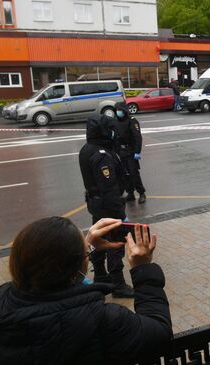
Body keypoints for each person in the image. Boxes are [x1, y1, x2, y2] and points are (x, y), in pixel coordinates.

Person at [0, 217, 172, 364]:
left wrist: (87, 245)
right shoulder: (102, 320)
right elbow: (159, 333)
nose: (88, 257)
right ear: (73, 272)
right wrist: (143, 268)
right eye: (85, 253)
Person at [79, 114, 134, 298]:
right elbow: (109, 189)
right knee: (115, 244)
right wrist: (120, 216)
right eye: (110, 129)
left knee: (98, 237)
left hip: (96, 205)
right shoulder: (101, 155)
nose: (113, 132)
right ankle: (117, 283)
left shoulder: (87, 149)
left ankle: (101, 276)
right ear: (103, 131)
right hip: (108, 206)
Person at [114, 101, 146, 205]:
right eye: (116, 110)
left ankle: (141, 193)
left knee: (133, 173)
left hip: (131, 151)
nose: (118, 112)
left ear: (124, 110)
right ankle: (130, 193)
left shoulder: (132, 121)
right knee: (125, 174)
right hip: (121, 151)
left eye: (119, 110)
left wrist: (137, 152)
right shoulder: (115, 121)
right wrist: (116, 150)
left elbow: (137, 137)